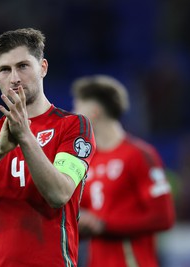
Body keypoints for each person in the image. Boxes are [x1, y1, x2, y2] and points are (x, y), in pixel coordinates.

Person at [0, 28, 96, 267]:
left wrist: (25, 137)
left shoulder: (73, 126)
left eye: (23, 66)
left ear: (43, 68)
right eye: (5, 70)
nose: (15, 78)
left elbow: (59, 194)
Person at [71, 75, 175, 267]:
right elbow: (85, 212)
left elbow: (164, 217)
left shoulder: (139, 155)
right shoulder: (89, 161)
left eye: (78, 107)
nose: (73, 114)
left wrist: (105, 225)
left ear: (95, 112)